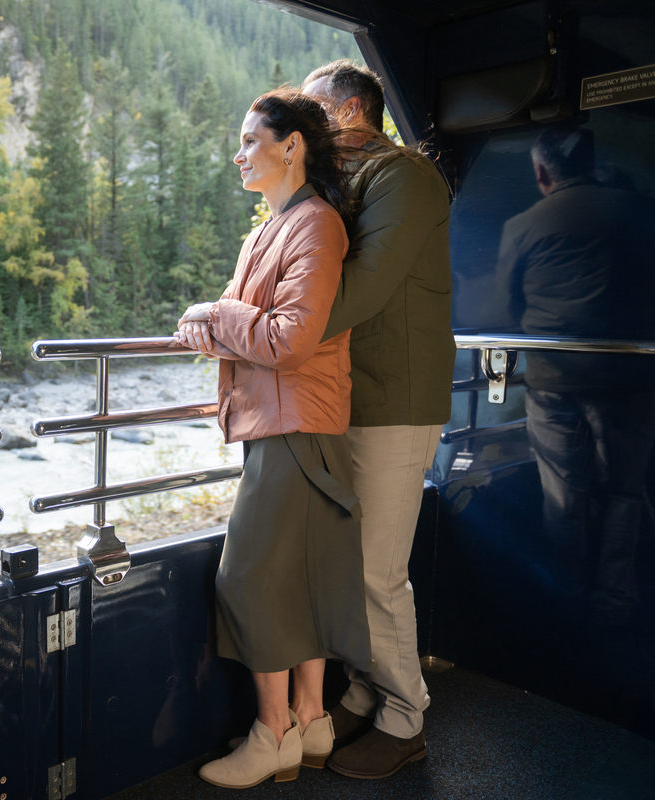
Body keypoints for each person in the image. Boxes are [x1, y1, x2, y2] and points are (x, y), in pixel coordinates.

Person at [173, 89, 374, 790]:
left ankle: (273, 734)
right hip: (282, 424)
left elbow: (287, 340)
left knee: (249, 580)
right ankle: (311, 721)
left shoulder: (316, 225)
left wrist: (215, 313)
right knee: (299, 580)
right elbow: (243, 329)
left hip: (297, 426)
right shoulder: (270, 229)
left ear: (292, 146)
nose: (238, 154)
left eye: (249, 140)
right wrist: (216, 323)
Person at [300, 60, 454, 779]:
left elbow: (360, 289)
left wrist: (266, 333)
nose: (303, 130)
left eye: (313, 113)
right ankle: (365, 688)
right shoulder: (342, 185)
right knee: (349, 564)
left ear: (350, 111)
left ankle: (404, 719)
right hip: (347, 397)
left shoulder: (405, 178)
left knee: (376, 570)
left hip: (396, 401)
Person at [497, 125, 655, 628]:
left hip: (554, 380)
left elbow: (506, 306)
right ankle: (616, 601)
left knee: (563, 495)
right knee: (623, 492)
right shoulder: (636, 212)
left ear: (542, 172)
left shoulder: (522, 225)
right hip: (630, 377)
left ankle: (566, 599)